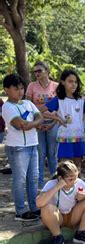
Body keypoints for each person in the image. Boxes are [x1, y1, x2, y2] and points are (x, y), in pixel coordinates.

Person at [2, 74, 43, 221]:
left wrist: (31, 124)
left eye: (21, 88)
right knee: (19, 179)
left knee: (33, 178)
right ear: (6, 89)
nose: (20, 91)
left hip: (33, 145)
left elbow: (40, 117)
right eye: (16, 88)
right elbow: (20, 125)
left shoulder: (28, 103)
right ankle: (20, 211)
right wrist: (35, 124)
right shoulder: (7, 107)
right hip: (17, 148)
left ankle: (34, 207)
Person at [36, 161, 85, 244]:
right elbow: (39, 203)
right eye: (70, 179)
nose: (74, 182)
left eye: (76, 178)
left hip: (73, 215)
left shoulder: (79, 183)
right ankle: (57, 236)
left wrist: (84, 196)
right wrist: (57, 187)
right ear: (60, 178)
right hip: (57, 218)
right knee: (47, 207)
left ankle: (81, 233)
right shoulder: (51, 184)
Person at [43, 69, 85, 171]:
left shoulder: (81, 99)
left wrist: (83, 116)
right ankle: (63, 187)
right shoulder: (59, 99)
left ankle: (78, 187)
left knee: (77, 168)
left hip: (78, 137)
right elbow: (40, 111)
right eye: (70, 81)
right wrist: (56, 118)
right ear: (62, 82)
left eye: (75, 82)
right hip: (64, 138)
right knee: (65, 169)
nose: (74, 84)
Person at [26, 61, 58, 189]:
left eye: (39, 70)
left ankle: (55, 181)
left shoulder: (56, 86)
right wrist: (36, 124)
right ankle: (39, 185)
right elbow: (28, 107)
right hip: (37, 125)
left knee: (52, 154)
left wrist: (54, 122)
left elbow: (60, 107)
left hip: (53, 124)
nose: (36, 73)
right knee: (40, 154)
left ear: (47, 70)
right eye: (35, 71)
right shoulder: (31, 86)